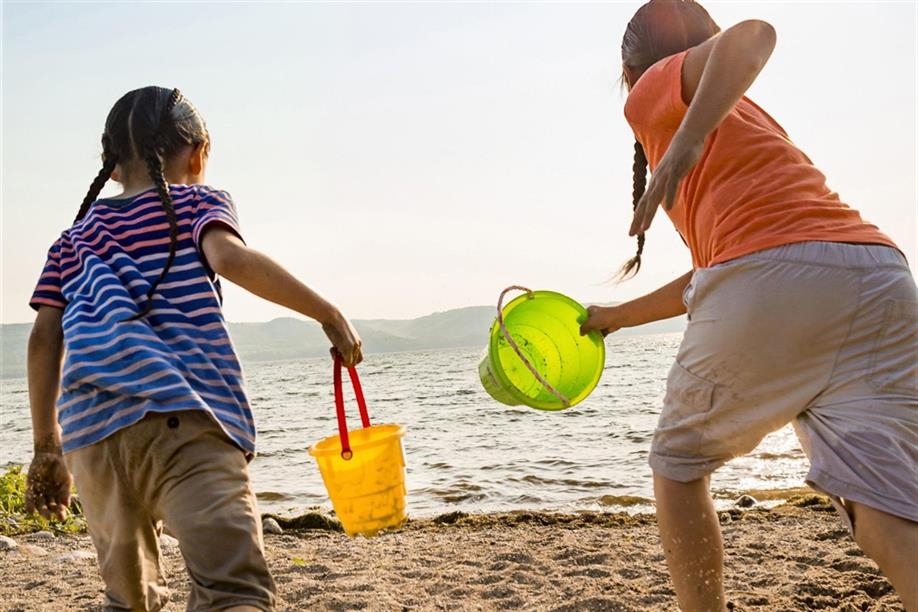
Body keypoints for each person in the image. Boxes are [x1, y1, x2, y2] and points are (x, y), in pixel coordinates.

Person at [580, 1, 917, 610]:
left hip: (778, 279)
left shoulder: (657, 89)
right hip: (878, 278)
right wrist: (612, 318)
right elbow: (722, 271)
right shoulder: (746, 119)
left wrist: (685, 140)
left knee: (678, 465)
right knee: (880, 503)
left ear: (631, 69)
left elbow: (755, 34)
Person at [24, 86, 363, 612]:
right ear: (198, 153)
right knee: (234, 591)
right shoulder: (196, 203)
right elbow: (230, 259)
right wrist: (329, 314)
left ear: (112, 167)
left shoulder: (72, 240)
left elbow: (46, 338)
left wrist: (47, 445)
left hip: (91, 439)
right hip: (178, 421)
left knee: (128, 600)